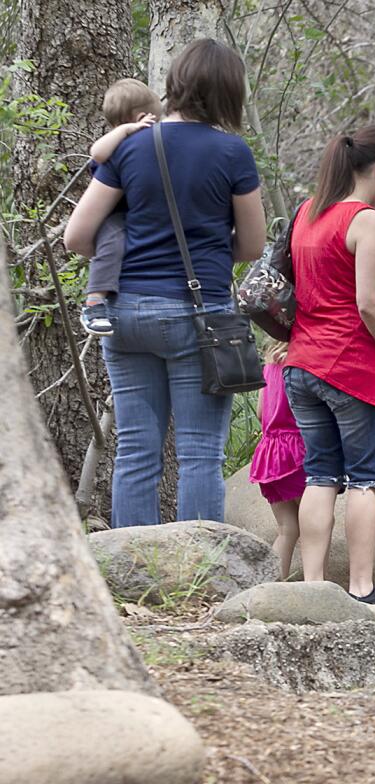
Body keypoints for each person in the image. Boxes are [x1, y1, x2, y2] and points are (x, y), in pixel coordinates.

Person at [64, 39, 267, 527]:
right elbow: (253, 246)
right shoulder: (232, 152)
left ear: (174, 85)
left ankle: (134, 573)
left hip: (126, 313)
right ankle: (199, 574)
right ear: (228, 93)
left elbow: (76, 236)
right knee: (200, 453)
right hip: (200, 315)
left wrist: (127, 259)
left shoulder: (130, 145)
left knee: (136, 448)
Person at [283, 124, 375, 612]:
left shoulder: (306, 214)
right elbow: (369, 305)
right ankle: (362, 590)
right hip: (353, 369)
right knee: (365, 479)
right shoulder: (366, 221)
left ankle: (314, 587)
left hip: (302, 366)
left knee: (320, 475)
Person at [78, 78, 161, 337]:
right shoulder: (115, 144)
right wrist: (126, 130)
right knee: (111, 245)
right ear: (139, 117)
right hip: (115, 217)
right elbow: (97, 152)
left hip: (138, 214)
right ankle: (94, 302)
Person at [249, 339, 305, 580]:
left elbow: (261, 412)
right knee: (316, 526)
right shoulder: (304, 363)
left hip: (269, 453)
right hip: (297, 451)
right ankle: (317, 585)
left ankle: (271, 586)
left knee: (286, 529)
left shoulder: (269, 366)